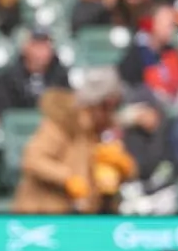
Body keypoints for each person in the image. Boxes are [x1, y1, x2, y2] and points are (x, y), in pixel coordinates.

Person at [12, 67, 136, 214]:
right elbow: (32, 160)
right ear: (97, 104)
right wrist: (68, 178)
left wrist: (124, 169)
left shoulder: (102, 130)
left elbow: (108, 178)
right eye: (108, 106)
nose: (111, 112)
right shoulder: (62, 122)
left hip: (82, 217)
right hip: (44, 213)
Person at [0, 26, 70, 110]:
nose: (42, 51)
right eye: (36, 45)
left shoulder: (60, 74)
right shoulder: (11, 77)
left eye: (45, 45)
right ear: (25, 47)